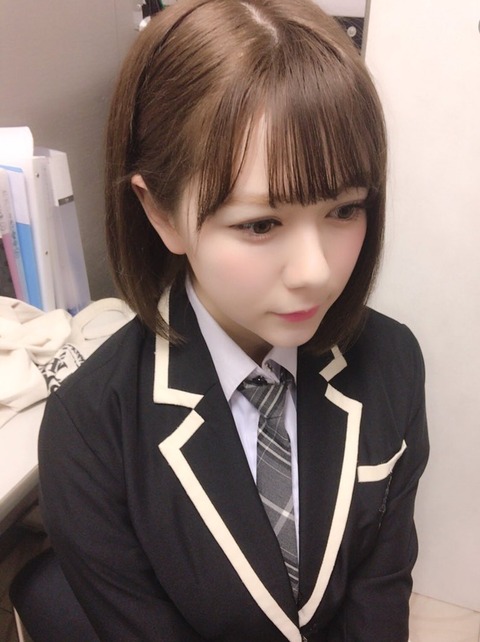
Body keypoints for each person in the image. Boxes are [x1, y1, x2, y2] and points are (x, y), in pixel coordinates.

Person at [38, 0, 429, 640]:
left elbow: (380, 589)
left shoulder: (392, 361)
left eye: (344, 209)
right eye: (260, 223)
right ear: (161, 212)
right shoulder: (91, 429)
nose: (315, 272)